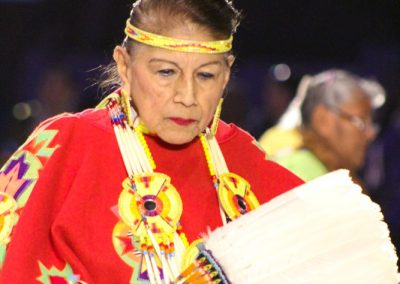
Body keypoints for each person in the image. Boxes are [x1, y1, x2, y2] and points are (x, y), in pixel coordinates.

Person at [0, 0, 303, 283]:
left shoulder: (243, 159)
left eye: (206, 75)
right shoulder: (64, 148)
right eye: (166, 72)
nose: (187, 97)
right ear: (124, 64)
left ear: (226, 76)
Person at [259, 69, 385, 191]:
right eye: (361, 121)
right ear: (323, 120)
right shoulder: (301, 174)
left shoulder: (322, 172)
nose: (370, 133)